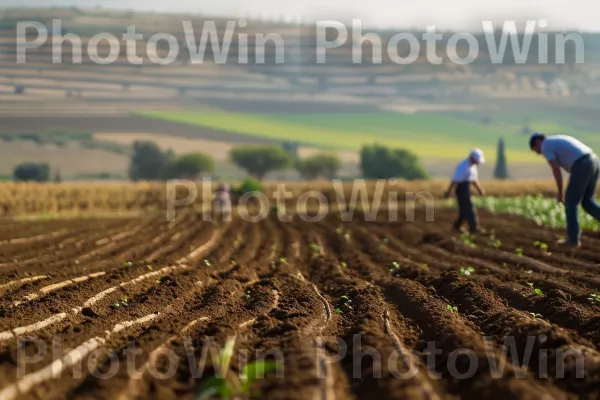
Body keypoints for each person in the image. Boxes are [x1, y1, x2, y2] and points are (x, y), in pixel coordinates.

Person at [529, 132, 600, 247]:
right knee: (587, 202)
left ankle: (573, 239)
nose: (539, 153)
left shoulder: (546, 145)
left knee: (571, 202)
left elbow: (556, 170)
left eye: (536, 150)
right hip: (594, 161)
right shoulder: (556, 139)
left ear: (538, 142)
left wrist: (560, 192)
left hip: (582, 164)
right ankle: (573, 238)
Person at [444, 148, 486, 234]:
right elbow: (455, 180)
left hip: (467, 187)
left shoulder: (472, 166)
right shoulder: (463, 166)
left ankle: (457, 227)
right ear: (471, 158)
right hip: (461, 189)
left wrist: (480, 189)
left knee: (464, 210)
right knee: (469, 208)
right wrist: (449, 191)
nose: (477, 163)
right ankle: (474, 228)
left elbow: (474, 179)